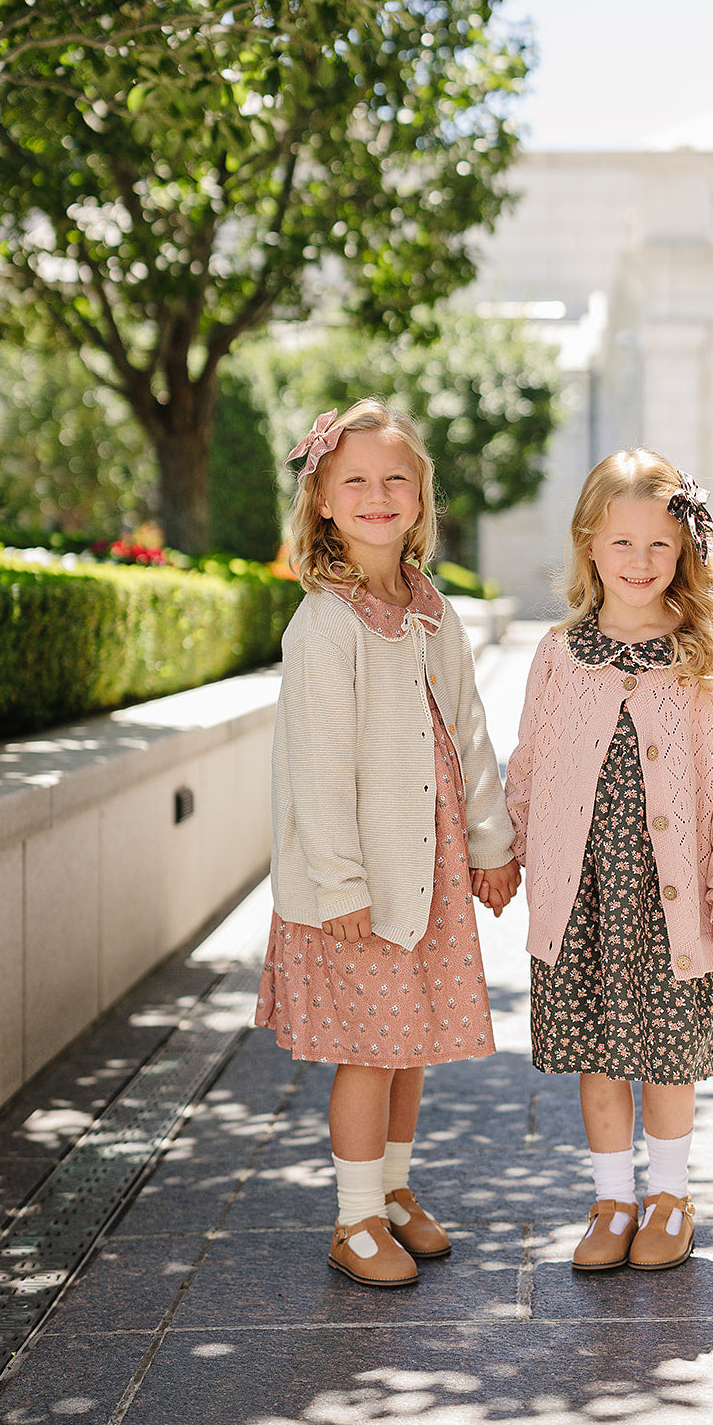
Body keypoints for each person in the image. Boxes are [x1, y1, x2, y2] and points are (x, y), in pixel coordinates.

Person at [255, 399, 520, 1289]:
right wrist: (339, 886)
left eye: (395, 479)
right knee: (369, 1049)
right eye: (355, 480)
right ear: (323, 498)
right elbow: (317, 775)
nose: (378, 494)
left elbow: (469, 733)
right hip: (360, 884)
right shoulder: (325, 627)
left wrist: (490, 841)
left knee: (409, 1043)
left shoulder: (431, 611)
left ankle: (394, 1191)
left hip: (429, 866)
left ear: (420, 497)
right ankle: (354, 1217)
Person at [497, 448, 713, 1273]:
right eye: (621, 544)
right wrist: (502, 850)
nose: (640, 562)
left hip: (668, 901)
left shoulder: (703, 658)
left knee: (667, 1050)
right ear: (588, 545)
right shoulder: (559, 654)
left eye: (659, 545)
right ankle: (611, 1198)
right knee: (598, 1047)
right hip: (582, 895)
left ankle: (669, 1197)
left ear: (684, 550)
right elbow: (531, 761)